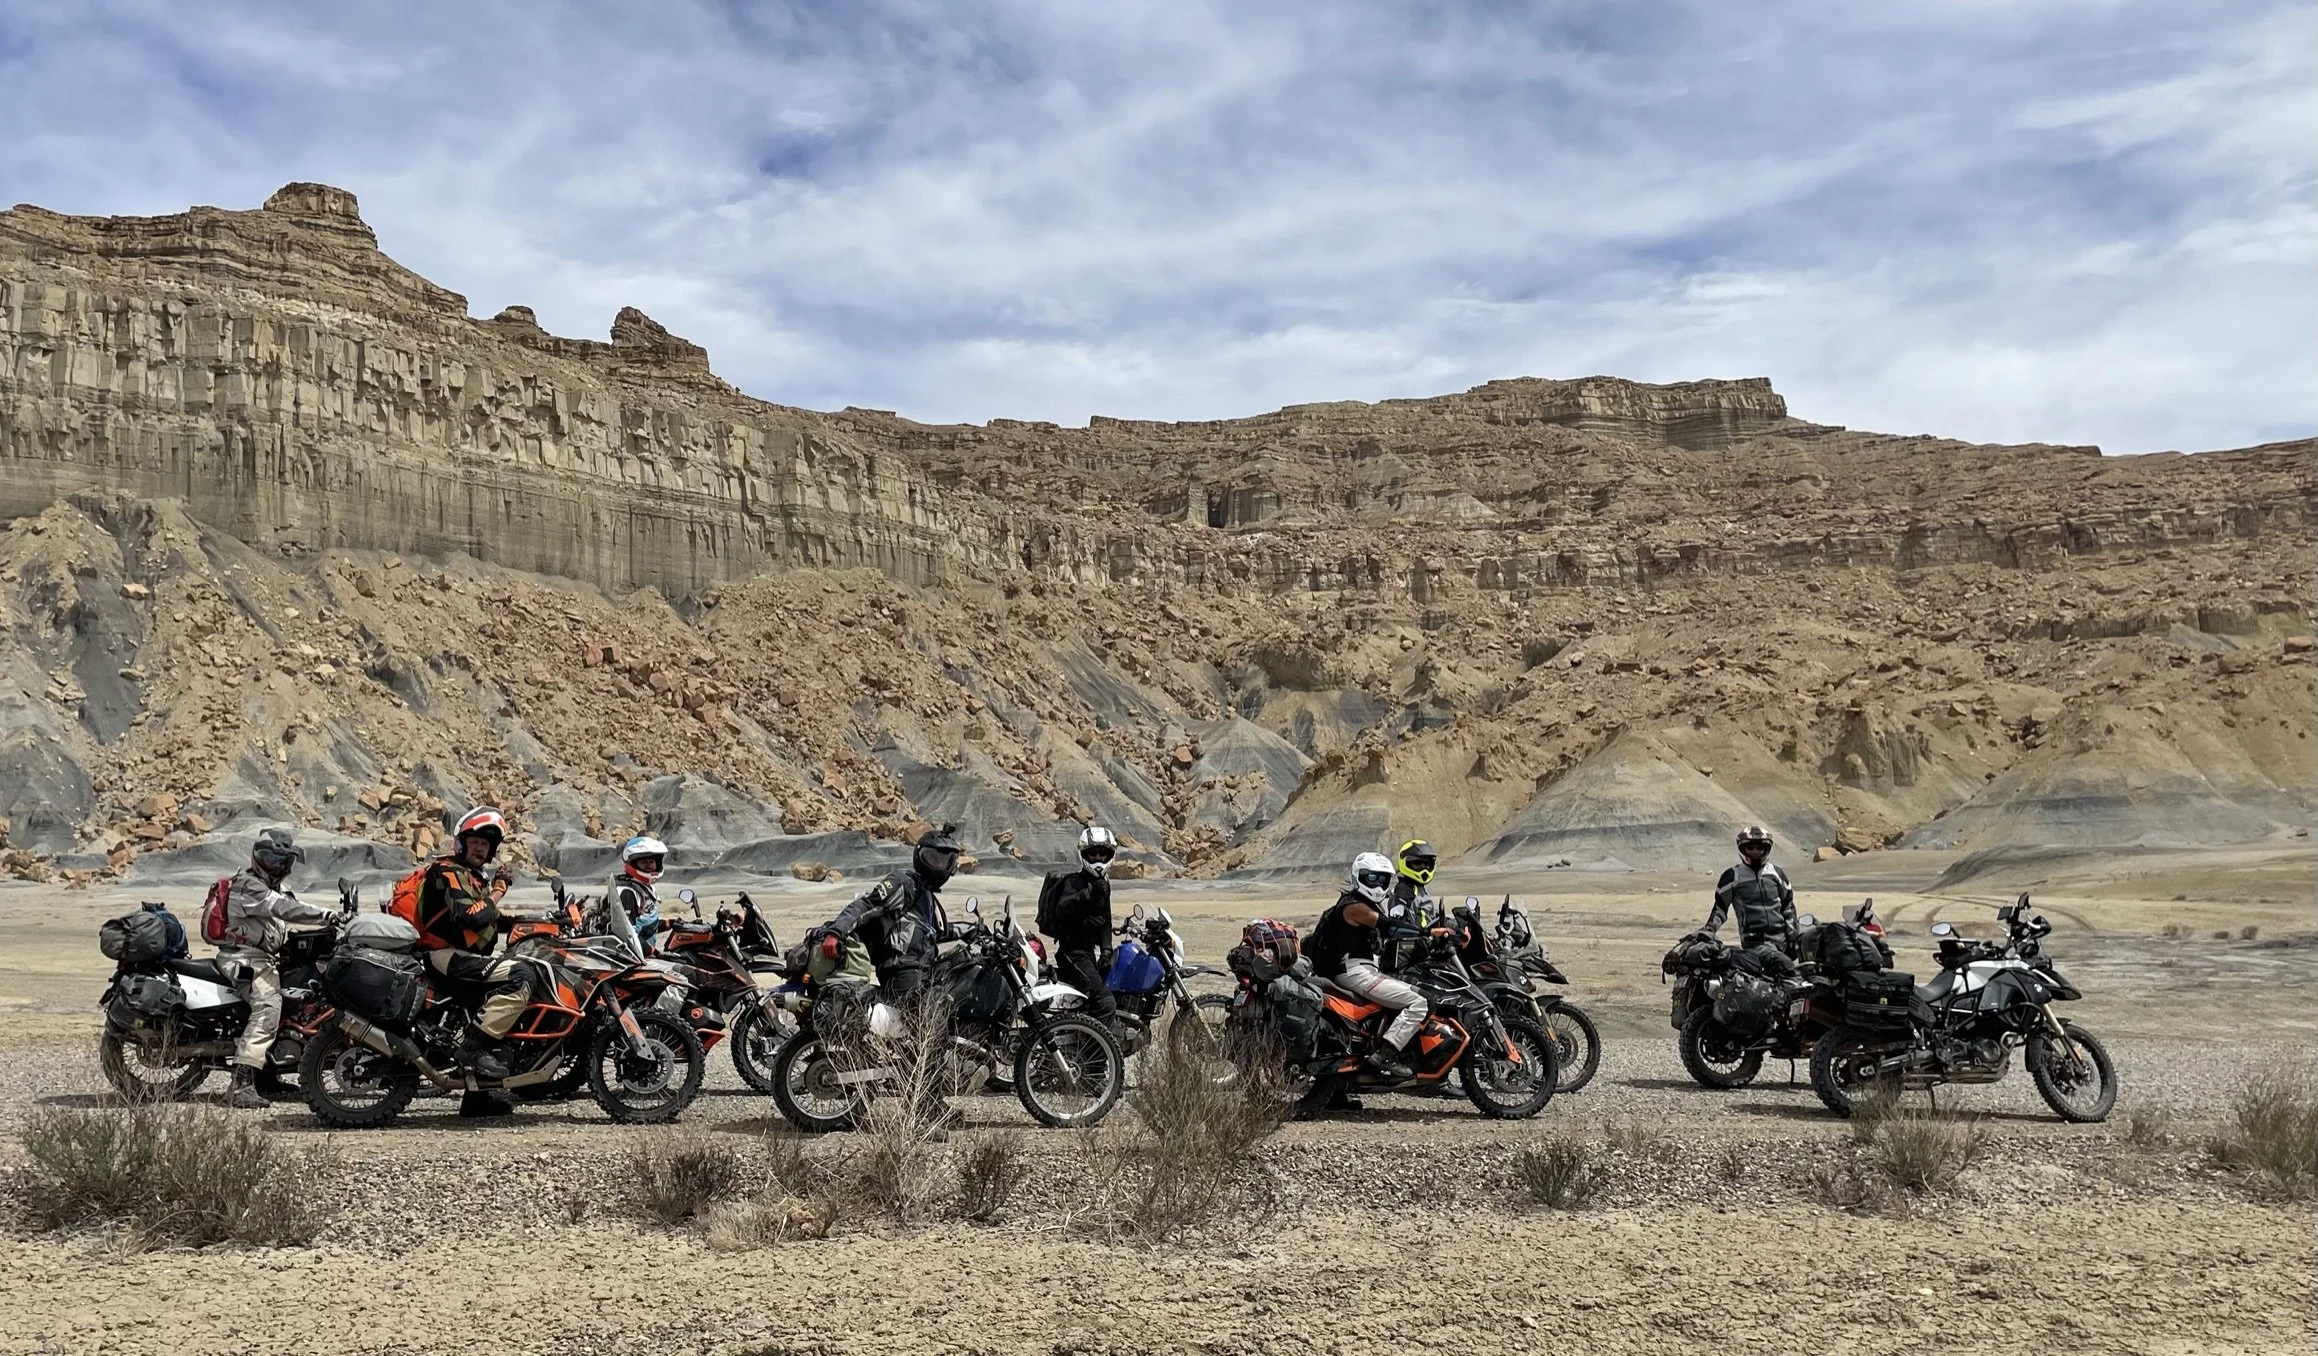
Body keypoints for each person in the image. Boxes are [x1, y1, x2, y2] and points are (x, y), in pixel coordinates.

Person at [216, 829, 335, 1109]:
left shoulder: (275, 889)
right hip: (245, 958)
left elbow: (284, 914)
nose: (277, 866)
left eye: (283, 861)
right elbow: (285, 909)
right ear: (257, 857)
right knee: (269, 1005)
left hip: (265, 957)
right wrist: (326, 915)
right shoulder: (248, 885)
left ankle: (266, 1077)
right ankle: (241, 1083)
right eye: (270, 858)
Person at [413, 806, 531, 1080]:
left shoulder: (472, 878)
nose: (479, 848)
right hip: (445, 956)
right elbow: (471, 917)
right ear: (461, 844)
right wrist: (499, 890)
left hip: (462, 957)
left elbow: (491, 919)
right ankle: (473, 1049)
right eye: (475, 842)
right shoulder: (448, 871)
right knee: (521, 974)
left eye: (485, 844)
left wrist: (542, 922)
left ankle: (481, 1097)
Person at [1304, 851, 1428, 1080]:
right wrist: (1428, 933)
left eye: (1382, 879)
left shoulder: (1362, 903)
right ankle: (1386, 1055)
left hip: (1361, 969)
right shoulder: (1355, 907)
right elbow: (1389, 927)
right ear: (1358, 877)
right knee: (1420, 1002)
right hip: (1355, 971)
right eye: (1372, 878)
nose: (1378, 884)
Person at [1037, 825, 1118, 1029]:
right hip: (1073, 955)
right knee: (1105, 1004)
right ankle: (1098, 1058)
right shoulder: (1074, 881)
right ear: (1083, 854)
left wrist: (1107, 952)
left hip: (1088, 954)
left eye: (1102, 853)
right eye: (1092, 853)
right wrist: (1086, 894)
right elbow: (1062, 909)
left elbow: (1106, 921)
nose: (1098, 858)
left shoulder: (1104, 885)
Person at [1703, 825, 1801, 982]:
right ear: (1743, 849)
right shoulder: (1732, 876)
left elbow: (1788, 908)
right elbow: (1720, 910)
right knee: (1787, 970)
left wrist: (1794, 937)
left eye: (1759, 848)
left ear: (1766, 849)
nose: (1755, 852)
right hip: (1756, 943)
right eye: (1750, 848)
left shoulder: (1777, 874)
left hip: (1782, 942)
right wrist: (1708, 931)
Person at [600, 835, 669, 959]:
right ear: (633, 863)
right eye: (643, 862)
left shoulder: (643, 887)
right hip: (630, 958)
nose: (649, 865)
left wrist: (670, 923)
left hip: (639, 954)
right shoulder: (628, 892)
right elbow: (626, 934)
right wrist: (651, 951)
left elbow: (642, 923)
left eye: (651, 862)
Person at [1381, 838, 1441, 973]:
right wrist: (1423, 934)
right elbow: (1398, 923)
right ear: (1405, 863)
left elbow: (1430, 917)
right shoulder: (1404, 890)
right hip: (1408, 956)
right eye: (1417, 864)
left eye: (1427, 864)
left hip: (1424, 948)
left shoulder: (1419, 889)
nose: (1423, 869)